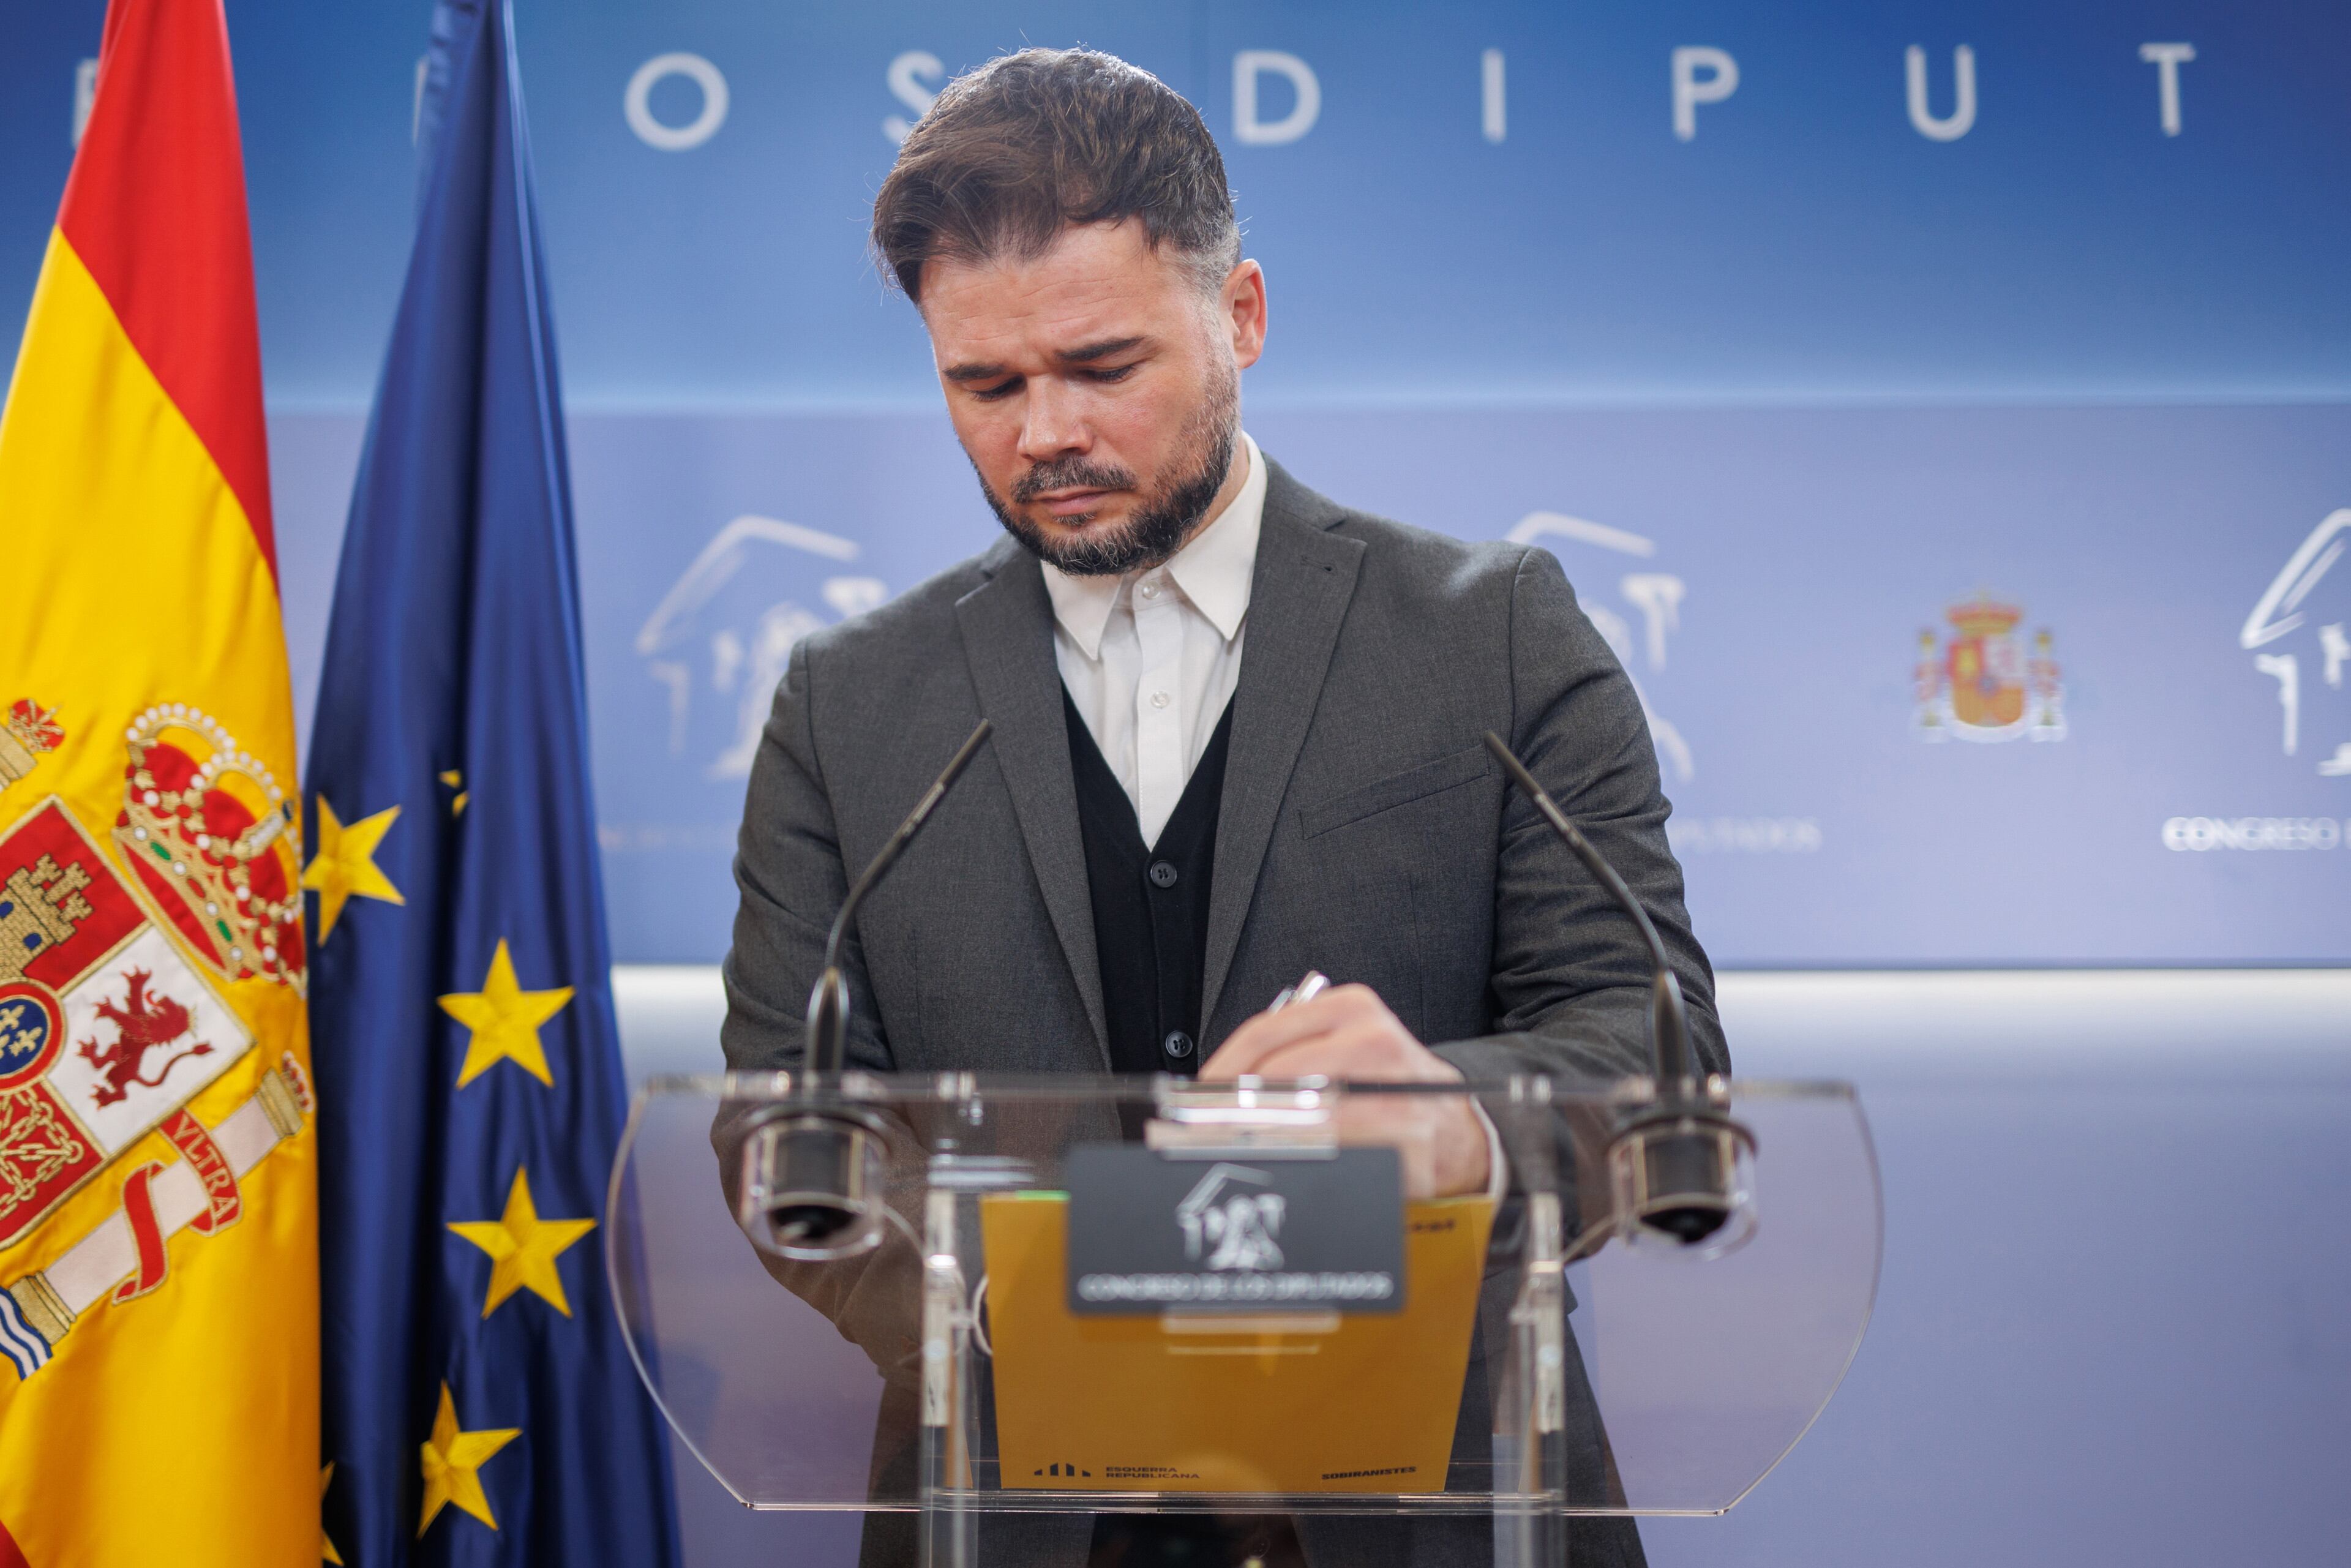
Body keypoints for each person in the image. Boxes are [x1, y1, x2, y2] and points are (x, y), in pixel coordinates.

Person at [719, 46, 1728, 1568]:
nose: (1043, 433)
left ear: (1241, 315)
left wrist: (1457, 1124)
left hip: (1439, 1512)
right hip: (1015, 1516)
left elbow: (1658, 1054)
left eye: (1102, 367)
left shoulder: (1495, 631)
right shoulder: (844, 703)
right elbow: (785, 1126)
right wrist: (1014, 1312)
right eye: (984, 385)